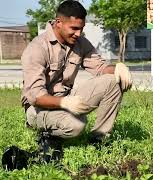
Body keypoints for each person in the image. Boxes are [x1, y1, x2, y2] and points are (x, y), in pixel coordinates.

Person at [21, 0, 132, 162]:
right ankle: (46, 134)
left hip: (67, 99)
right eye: (74, 28)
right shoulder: (37, 48)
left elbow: (100, 67)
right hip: (38, 108)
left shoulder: (80, 43)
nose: (78, 33)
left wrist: (118, 69)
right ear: (58, 23)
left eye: (81, 29)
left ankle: (98, 140)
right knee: (76, 125)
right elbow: (35, 97)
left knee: (113, 81)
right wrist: (64, 103)